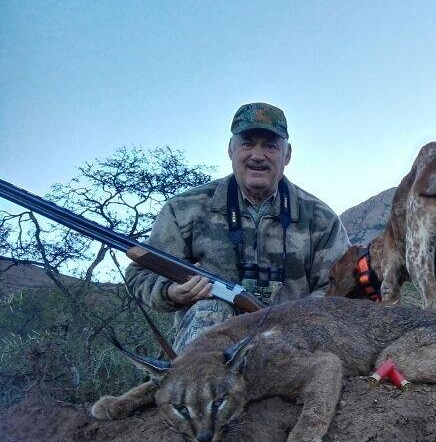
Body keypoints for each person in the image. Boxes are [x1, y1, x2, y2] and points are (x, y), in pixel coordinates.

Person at [126, 102, 350, 352]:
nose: (257, 155)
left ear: (287, 155)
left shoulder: (321, 218)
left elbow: (340, 289)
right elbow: (141, 273)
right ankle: (201, 386)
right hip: (214, 343)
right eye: (247, 144)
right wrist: (171, 291)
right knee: (211, 309)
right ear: (231, 150)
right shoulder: (184, 209)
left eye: (270, 146)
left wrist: (290, 323)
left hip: (291, 343)